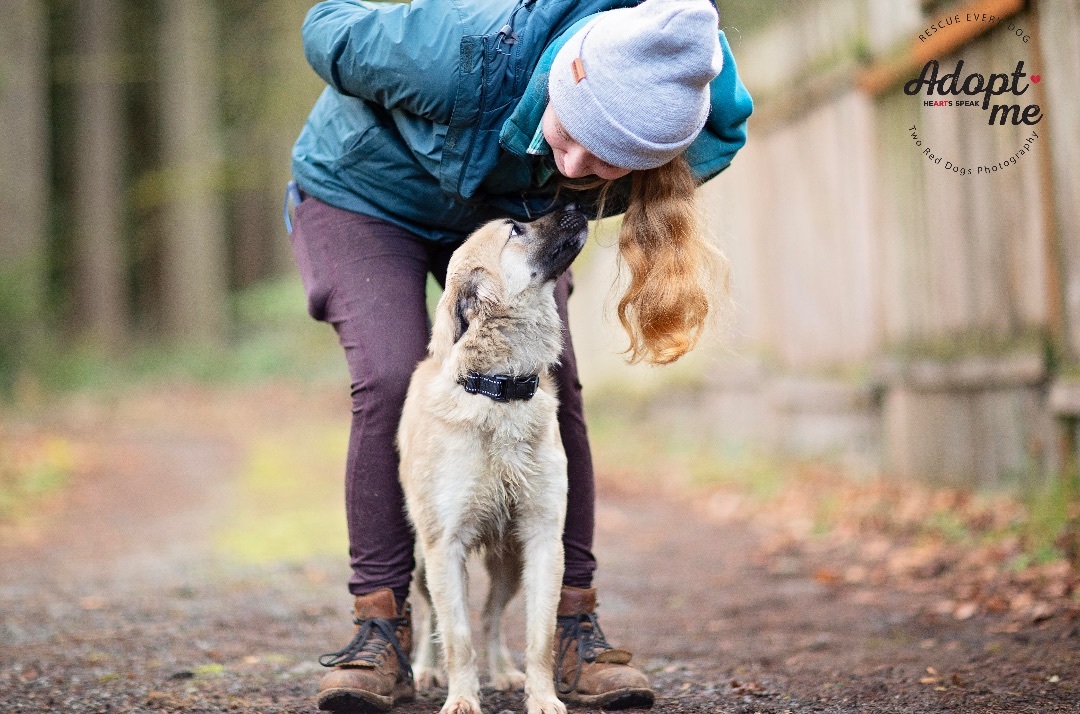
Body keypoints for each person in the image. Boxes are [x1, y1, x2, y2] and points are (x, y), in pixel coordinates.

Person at [287, 0, 753, 711]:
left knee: (551, 383)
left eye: (604, 163)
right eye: (575, 138)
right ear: (565, 76)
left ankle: (573, 624)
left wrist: (611, 167)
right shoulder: (460, 53)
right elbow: (325, 27)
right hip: (364, 190)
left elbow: (708, 144)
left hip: (505, 218)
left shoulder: (696, 94)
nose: (573, 165)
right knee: (390, 372)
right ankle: (379, 625)